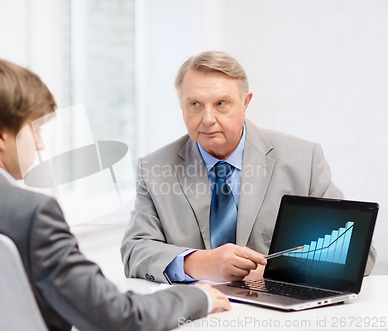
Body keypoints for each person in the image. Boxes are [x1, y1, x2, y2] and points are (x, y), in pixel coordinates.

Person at [0, 58, 231, 331]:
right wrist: (193, 298)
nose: (39, 144)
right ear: (0, 137)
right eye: (34, 129)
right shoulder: (31, 213)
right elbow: (116, 317)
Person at [120, 51, 376, 284]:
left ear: (245, 103)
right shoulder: (154, 168)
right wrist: (197, 263)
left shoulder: (303, 160)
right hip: (194, 311)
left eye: (221, 103)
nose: (208, 119)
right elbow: (135, 250)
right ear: (181, 106)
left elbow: (360, 254)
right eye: (195, 104)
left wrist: (277, 270)